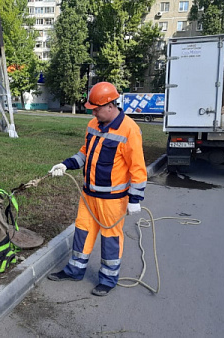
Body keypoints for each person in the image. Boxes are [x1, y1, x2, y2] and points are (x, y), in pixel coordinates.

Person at [47, 82, 147, 296]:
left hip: (113, 199)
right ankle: (75, 270)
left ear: (110, 105)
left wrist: (135, 199)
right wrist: (66, 164)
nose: (93, 112)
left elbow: (137, 167)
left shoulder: (130, 130)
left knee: (110, 238)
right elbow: (85, 152)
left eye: (96, 108)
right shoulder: (93, 124)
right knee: (82, 231)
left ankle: (108, 279)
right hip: (88, 194)